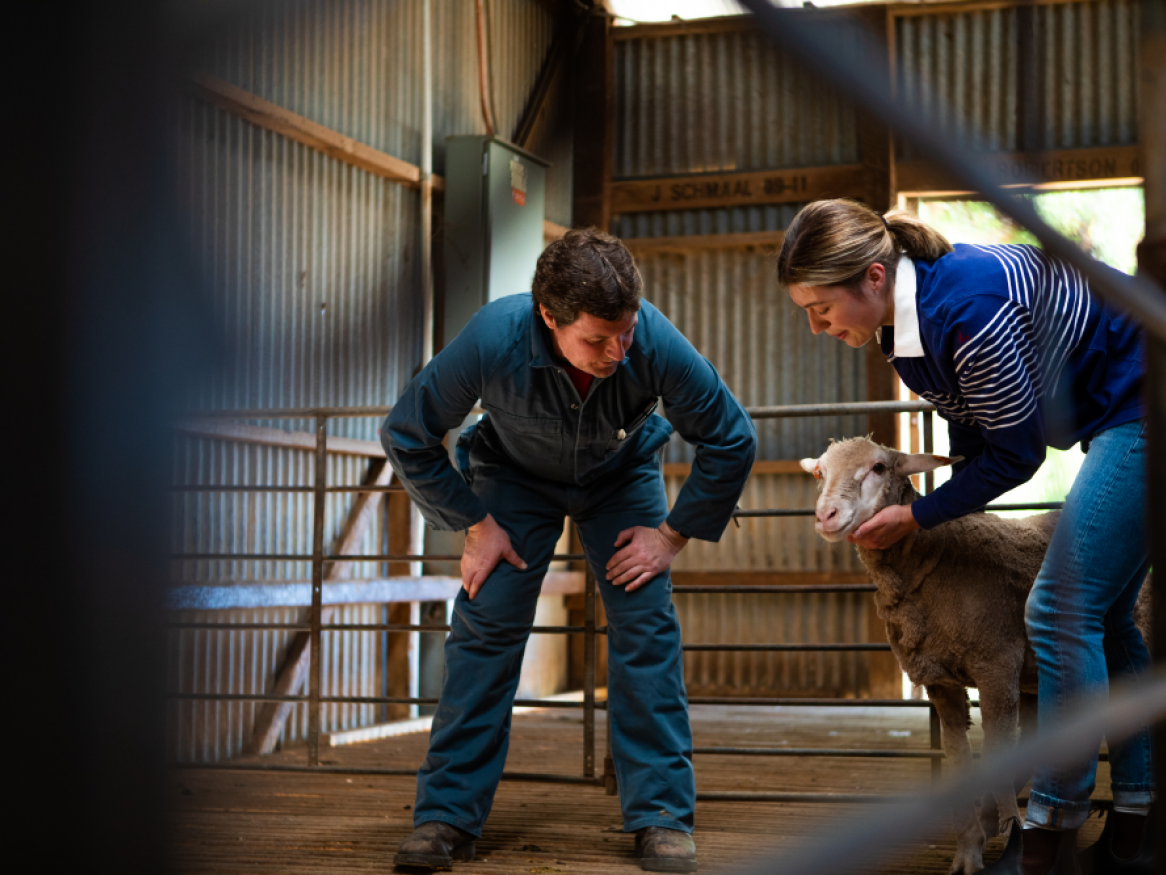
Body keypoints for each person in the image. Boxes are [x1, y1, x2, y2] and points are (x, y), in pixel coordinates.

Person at [777, 199, 1153, 875]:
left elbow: (1016, 455)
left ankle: (1048, 833)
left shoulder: (970, 314)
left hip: (1141, 404)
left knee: (1060, 609)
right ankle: (1138, 822)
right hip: (1108, 413)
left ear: (871, 277)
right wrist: (937, 505)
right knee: (1112, 616)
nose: (814, 326)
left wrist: (921, 517)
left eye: (819, 307)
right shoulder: (900, 334)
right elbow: (971, 427)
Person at [381, 228, 756, 873]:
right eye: (595, 339)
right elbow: (407, 432)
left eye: (626, 332)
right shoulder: (492, 337)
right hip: (512, 481)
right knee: (485, 625)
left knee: (645, 628)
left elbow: (732, 438)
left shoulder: (655, 341)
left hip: (620, 477)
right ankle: (445, 815)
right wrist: (473, 521)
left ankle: (662, 816)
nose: (616, 351)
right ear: (548, 317)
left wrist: (670, 535)